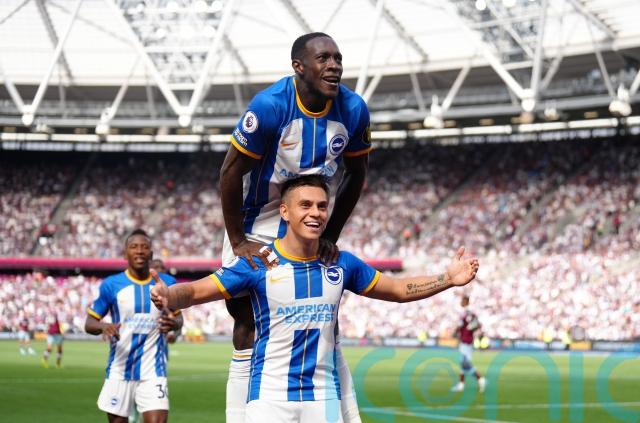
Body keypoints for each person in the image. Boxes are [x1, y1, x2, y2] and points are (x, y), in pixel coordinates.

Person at [151, 175, 479, 423]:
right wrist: (168, 294)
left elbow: (396, 290)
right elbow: (196, 291)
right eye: (305, 205)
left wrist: (447, 279)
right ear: (284, 211)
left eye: (322, 206)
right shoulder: (258, 263)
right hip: (269, 398)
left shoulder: (342, 263)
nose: (316, 213)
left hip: (323, 398)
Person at [220, 32, 371, 422]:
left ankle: (344, 414)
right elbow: (230, 172)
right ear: (298, 67)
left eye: (338, 58)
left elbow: (357, 173)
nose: (334, 66)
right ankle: (239, 416)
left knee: (324, 322)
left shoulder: (354, 109)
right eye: (323, 58)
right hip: (257, 223)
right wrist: (238, 241)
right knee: (247, 321)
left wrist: (331, 234)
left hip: (309, 219)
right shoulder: (270, 106)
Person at [85, 229, 183, 423]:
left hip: (154, 370)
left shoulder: (167, 283)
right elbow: (89, 323)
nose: (139, 251)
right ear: (125, 254)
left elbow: (179, 319)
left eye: (144, 247)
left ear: (151, 254)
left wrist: (174, 324)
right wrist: (104, 327)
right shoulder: (111, 285)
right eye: (134, 247)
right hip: (120, 369)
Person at [451, 295, 486, 393]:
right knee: (463, 363)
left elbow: (462, 325)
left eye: (462, 300)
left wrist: (455, 332)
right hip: (467, 340)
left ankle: (480, 379)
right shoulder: (470, 313)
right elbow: (477, 325)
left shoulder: (466, 313)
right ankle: (461, 385)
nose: (460, 302)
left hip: (466, 341)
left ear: (465, 301)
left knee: (464, 363)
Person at [42, 302, 64, 368]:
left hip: (58, 333)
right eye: (59, 305)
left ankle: (58, 364)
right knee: (50, 348)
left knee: (59, 349)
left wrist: (62, 330)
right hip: (51, 333)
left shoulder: (61, 313)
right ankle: (44, 359)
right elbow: (49, 322)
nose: (60, 306)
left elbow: (61, 323)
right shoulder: (52, 314)